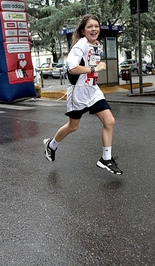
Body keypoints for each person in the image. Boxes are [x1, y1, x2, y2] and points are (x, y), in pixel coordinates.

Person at [43, 14, 123, 175]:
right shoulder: (81, 44)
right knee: (73, 126)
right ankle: (51, 145)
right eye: (90, 27)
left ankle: (105, 159)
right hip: (78, 91)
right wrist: (95, 69)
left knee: (110, 121)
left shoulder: (96, 45)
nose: (94, 29)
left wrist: (94, 69)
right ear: (83, 30)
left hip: (92, 90)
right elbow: (71, 67)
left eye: (96, 26)